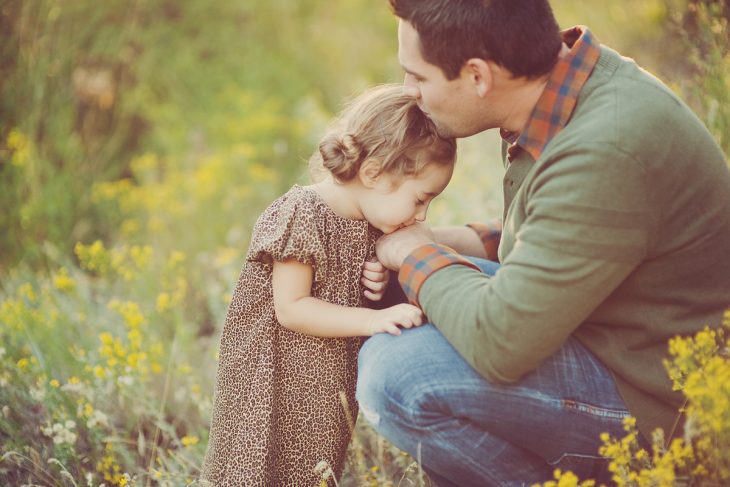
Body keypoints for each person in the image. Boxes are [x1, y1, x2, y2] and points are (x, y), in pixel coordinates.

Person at [355, 1, 730, 485]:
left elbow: (500, 343)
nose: (409, 93)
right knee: (394, 296)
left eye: (418, 77)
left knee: (399, 375)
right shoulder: (564, 91)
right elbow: (562, 231)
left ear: (477, 76)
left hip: (665, 403)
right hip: (614, 333)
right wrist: (434, 241)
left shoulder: (608, 146)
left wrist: (411, 253)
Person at [199, 84, 457, 486]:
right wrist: (375, 320)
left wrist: (381, 280)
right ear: (373, 173)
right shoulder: (303, 214)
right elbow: (292, 308)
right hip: (272, 381)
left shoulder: (374, 222)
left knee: (313, 471)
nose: (422, 215)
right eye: (420, 199)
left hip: (323, 386)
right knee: (256, 469)